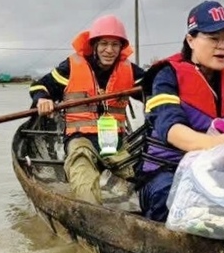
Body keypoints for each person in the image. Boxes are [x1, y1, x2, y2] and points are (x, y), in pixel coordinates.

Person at [138, 0, 224, 222]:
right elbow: (172, 130)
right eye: (213, 38)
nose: (222, 46)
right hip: (166, 171)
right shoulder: (166, 76)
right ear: (191, 40)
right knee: (171, 198)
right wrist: (220, 144)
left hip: (218, 171)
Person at [29, 14, 145, 204]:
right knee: (82, 175)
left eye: (115, 45)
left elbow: (154, 88)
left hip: (114, 141)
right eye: (104, 44)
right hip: (80, 139)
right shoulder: (71, 66)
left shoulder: (130, 70)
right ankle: (94, 215)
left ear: (121, 48)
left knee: (142, 175)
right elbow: (39, 86)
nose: (109, 50)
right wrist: (43, 99)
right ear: (95, 46)